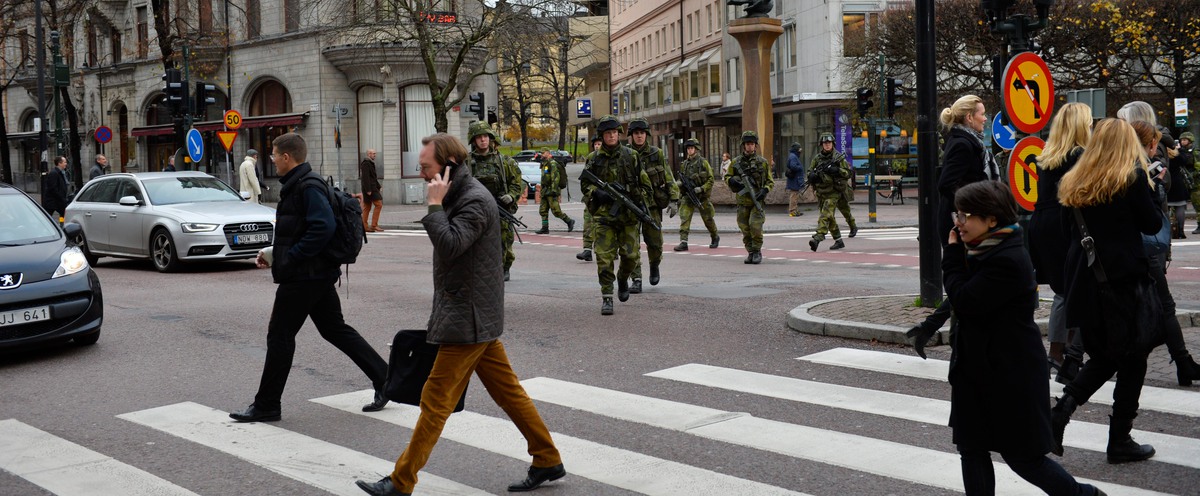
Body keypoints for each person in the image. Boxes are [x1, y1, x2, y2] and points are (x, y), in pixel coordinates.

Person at [355, 133, 565, 496]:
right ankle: (547, 458)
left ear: (449, 167)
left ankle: (402, 481)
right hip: (470, 312)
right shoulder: (461, 194)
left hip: (468, 317)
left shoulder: (474, 200)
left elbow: (451, 245)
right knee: (509, 393)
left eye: (426, 167)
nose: (421, 173)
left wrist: (434, 207)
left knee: (435, 401)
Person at [943, 180, 1105, 496]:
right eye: (957, 215)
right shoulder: (981, 248)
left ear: (991, 219)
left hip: (1009, 375)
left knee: (1024, 459)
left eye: (964, 216)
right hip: (978, 370)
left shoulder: (1007, 259)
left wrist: (951, 255)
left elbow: (964, 299)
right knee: (972, 448)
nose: (958, 223)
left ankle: (1084, 495)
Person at [229, 133, 389, 423]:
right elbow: (301, 230)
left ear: (287, 157)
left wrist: (292, 257)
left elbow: (322, 227)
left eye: (274, 155)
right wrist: (274, 254)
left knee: (280, 336)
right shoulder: (300, 184)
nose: (272, 160)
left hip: (305, 276)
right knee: (334, 330)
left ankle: (267, 404)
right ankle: (386, 379)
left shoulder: (307, 186)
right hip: (315, 273)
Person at [1052, 118, 1160, 463]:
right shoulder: (1131, 178)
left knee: (1106, 355)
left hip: (1085, 282)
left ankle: (1062, 412)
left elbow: (1065, 231)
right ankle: (1119, 438)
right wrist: (1154, 190)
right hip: (1122, 283)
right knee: (1133, 356)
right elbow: (1152, 223)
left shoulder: (1073, 181)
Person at [905, 95, 997, 353]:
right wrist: (970, 208)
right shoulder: (963, 144)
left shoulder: (968, 142)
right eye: (981, 113)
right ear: (969, 117)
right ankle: (951, 338)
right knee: (971, 282)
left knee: (971, 281)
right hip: (960, 224)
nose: (985, 118)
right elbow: (946, 183)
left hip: (965, 221)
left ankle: (928, 329)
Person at [1029, 102, 1091, 383]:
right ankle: (1065, 355)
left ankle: (1058, 353)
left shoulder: (1047, 155)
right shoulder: (1079, 155)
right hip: (1066, 225)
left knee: (1062, 291)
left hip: (1043, 224)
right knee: (1075, 290)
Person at [581, 115, 652, 315]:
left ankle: (622, 278)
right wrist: (597, 193)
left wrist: (641, 203)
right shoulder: (594, 159)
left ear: (619, 134)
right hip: (603, 217)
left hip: (628, 217)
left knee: (631, 257)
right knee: (604, 259)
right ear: (602, 136)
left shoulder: (631, 156)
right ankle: (607, 297)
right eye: (607, 133)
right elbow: (585, 184)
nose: (611, 136)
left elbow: (645, 185)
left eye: (614, 132)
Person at [464, 121, 523, 281]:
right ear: (473, 140)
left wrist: (511, 196)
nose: (483, 140)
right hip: (477, 209)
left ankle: (504, 268)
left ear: (490, 138)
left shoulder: (505, 162)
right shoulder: (466, 163)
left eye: (485, 136)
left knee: (504, 241)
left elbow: (517, 184)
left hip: (500, 209)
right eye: (479, 137)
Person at [626, 118, 679, 290]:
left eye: (642, 133)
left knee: (655, 243)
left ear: (646, 134)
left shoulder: (657, 154)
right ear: (631, 135)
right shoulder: (625, 154)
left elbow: (668, 176)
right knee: (631, 244)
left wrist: (674, 199)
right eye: (636, 133)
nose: (639, 136)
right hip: (632, 206)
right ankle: (636, 279)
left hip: (652, 205)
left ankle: (654, 265)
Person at [725, 131, 771, 264]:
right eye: (747, 144)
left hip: (757, 201)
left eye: (752, 144)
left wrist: (764, 190)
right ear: (743, 145)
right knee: (745, 228)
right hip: (743, 201)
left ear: (755, 145)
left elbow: (770, 181)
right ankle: (750, 252)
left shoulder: (762, 162)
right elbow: (727, 176)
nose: (749, 146)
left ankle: (757, 251)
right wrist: (732, 181)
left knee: (755, 226)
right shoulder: (736, 162)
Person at [674, 138, 719, 251]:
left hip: (702, 197)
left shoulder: (703, 163)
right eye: (688, 148)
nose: (689, 150)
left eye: (691, 148)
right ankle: (683, 242)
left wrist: (701, 189)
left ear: (696, 149)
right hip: (688, 196)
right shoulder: (685, 164)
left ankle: (715, 236)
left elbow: (711, 179)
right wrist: (677, 185)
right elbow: (681, 179)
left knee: (708, 219)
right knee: (684, 217)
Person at [808, 133, 852, 251]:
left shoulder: (838, 157)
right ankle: (838, 240)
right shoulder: (817, 158)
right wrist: (812, 176)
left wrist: (837, 170)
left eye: (829, 143)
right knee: (830, 217)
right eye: (825, 143)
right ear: (821, 144)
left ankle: (818, 237)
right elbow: (809, 172)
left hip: (834, 191)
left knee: (825, 215)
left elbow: (848, 173)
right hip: (822, 192)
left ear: (833, 144)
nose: (827, 145)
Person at [534, 148, 575, 234]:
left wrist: (554, 190)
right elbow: (544, 178)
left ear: (548, 153)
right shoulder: (544, 163)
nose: (541, 155)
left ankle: (569, 221)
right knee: (543, 210)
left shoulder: (552, 163)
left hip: (551, 190)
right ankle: (545, 228)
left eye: (543, 153)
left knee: (556, 211)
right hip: (545, 190)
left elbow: (555, 177)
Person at [576, 136, 603, 262]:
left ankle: (610, 250)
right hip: (592, 196)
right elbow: (586, 178)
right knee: (588, 222)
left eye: (599, 144)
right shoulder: (591, 158)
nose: (597, 146)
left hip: (606, 197)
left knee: (605, 224)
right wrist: (591, 191)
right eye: (595, 144)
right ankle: (587, 249)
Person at [1167, 134, 1193, 239]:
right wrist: (1180, 149)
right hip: (1177, 183)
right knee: (1180, 206)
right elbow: (1184, 161)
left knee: (1165, 208)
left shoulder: (1161, 154)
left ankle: (1167, 231)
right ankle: (1181, 231)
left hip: (1165, 182)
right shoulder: (1176, 155)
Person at [360, 149, 384, 232]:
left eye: (375, 153)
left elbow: (373, 177)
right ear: (369, 154)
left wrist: (379, 186)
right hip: (370, 189)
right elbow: (365, 178)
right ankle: (374, 225)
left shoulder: (370, 163)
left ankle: (364, 226)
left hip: (371, 187)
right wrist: (368, 190)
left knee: (367, 207)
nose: (375, 155)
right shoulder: (366, 164)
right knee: (378, 204)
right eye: (373, 153)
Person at [42, 156, 70, 222]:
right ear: (59, 163)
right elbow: (53, 188)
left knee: (62, 214)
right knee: (47, 217)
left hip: (58, 200)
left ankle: (61, 224)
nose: (66, 164)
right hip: (53, 201)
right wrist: (61, 197)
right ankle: (47, 225)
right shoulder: (54, 173)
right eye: (64, 162)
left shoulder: (60, 172)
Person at [784, 143, 805, 217]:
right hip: (795, 180)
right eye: (799, 149)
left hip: (795, 179)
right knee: (794, 195)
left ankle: (795, 210)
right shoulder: (793, 156)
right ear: (796, 149)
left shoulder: (793, 156)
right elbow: (793, 166)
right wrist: (800, 167)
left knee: (795, 195)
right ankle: (792, 211)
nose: (800, 151)